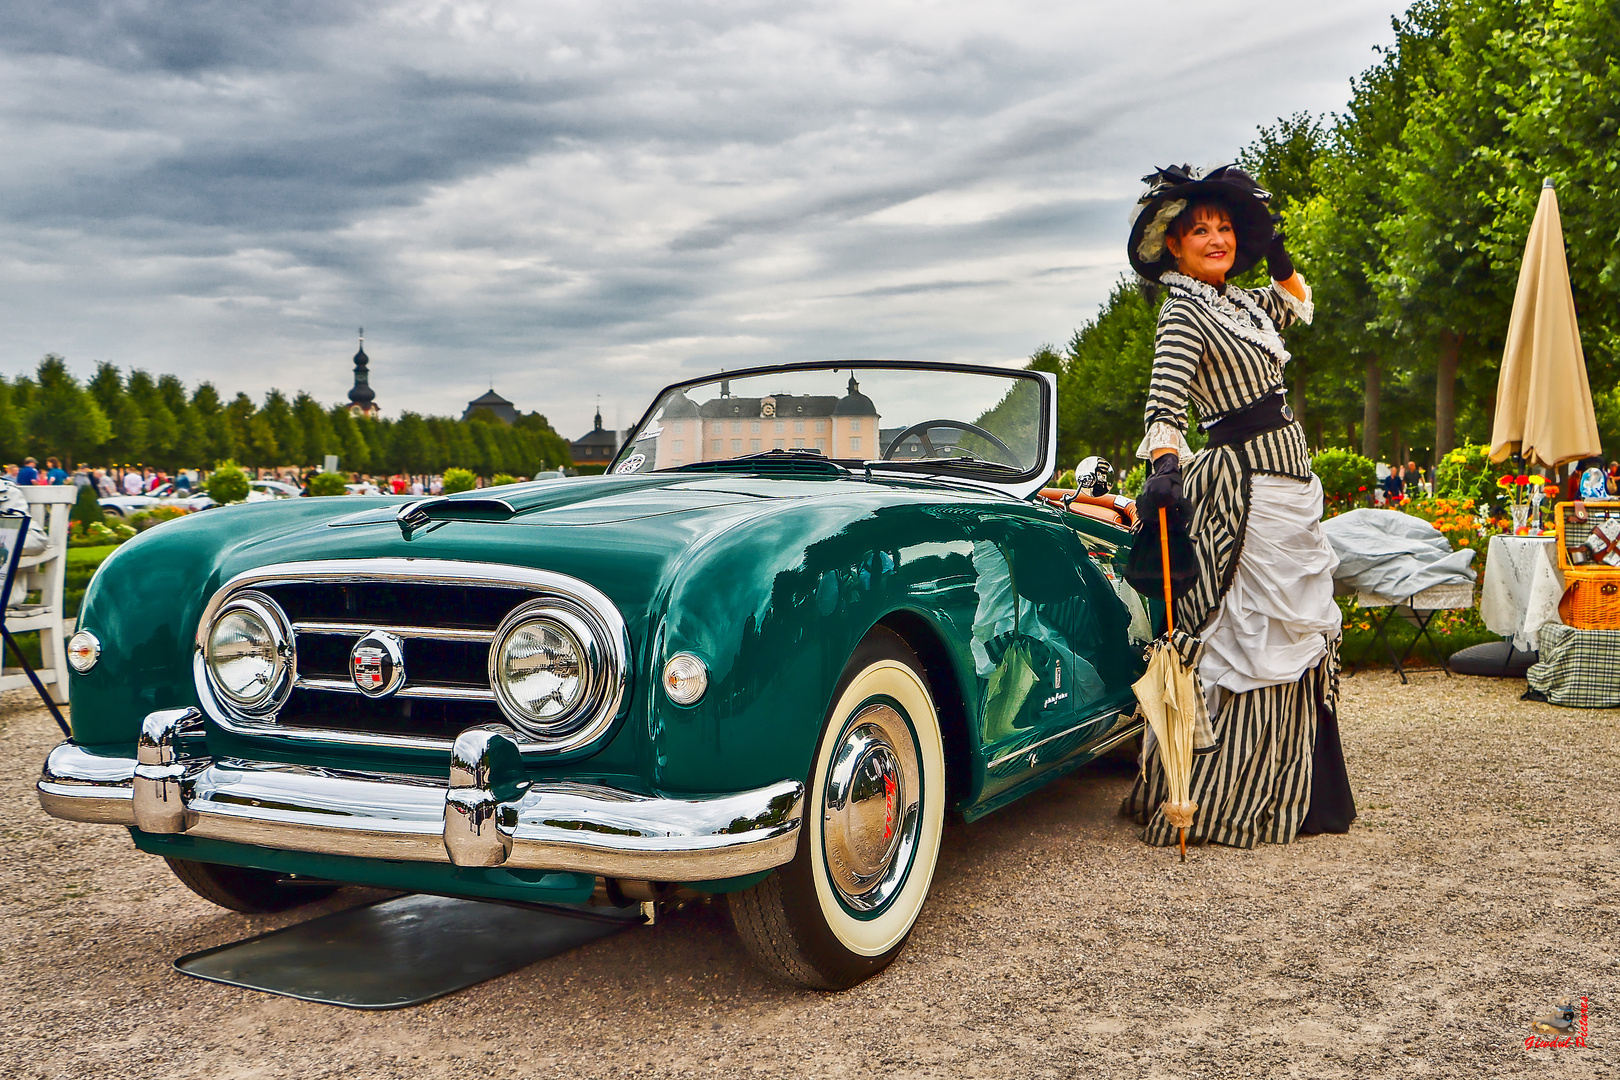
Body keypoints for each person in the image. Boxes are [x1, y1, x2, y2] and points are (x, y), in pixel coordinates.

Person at [1122, 163, 1355, 849]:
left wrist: (1281, 257)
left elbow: (1300, 303)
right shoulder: (1184, 311)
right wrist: (1165, 467)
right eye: (1201, 230)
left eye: (1225, 227)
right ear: (1175, 245)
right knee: (1241, 630)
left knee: (1293, 628)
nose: (1216, 238)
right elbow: (1164, 404)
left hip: (1289, 486)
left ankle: (1301, 791)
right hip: (1243, 487)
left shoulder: (1247, 304)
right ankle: (1224, 797)